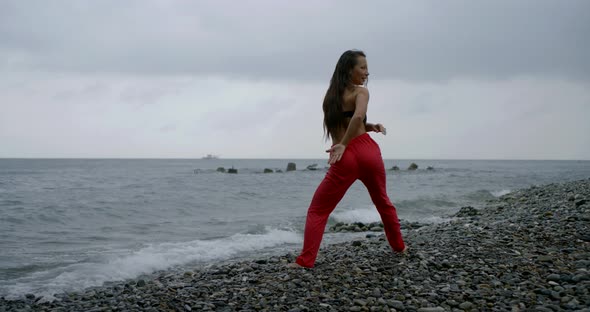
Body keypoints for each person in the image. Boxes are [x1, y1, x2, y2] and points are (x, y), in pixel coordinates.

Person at [289, 50, 406, 268]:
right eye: (362, 67)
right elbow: (357, 116)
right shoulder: (361, 92)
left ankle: (306, 261)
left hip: (344, 156)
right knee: (383, 202)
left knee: (318, 210)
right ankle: (399, 246)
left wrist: (365, 130)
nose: (366, 72)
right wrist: (349, 139)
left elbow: (348, 122)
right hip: (366, 152)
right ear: (348, 69)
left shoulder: (330, 97)